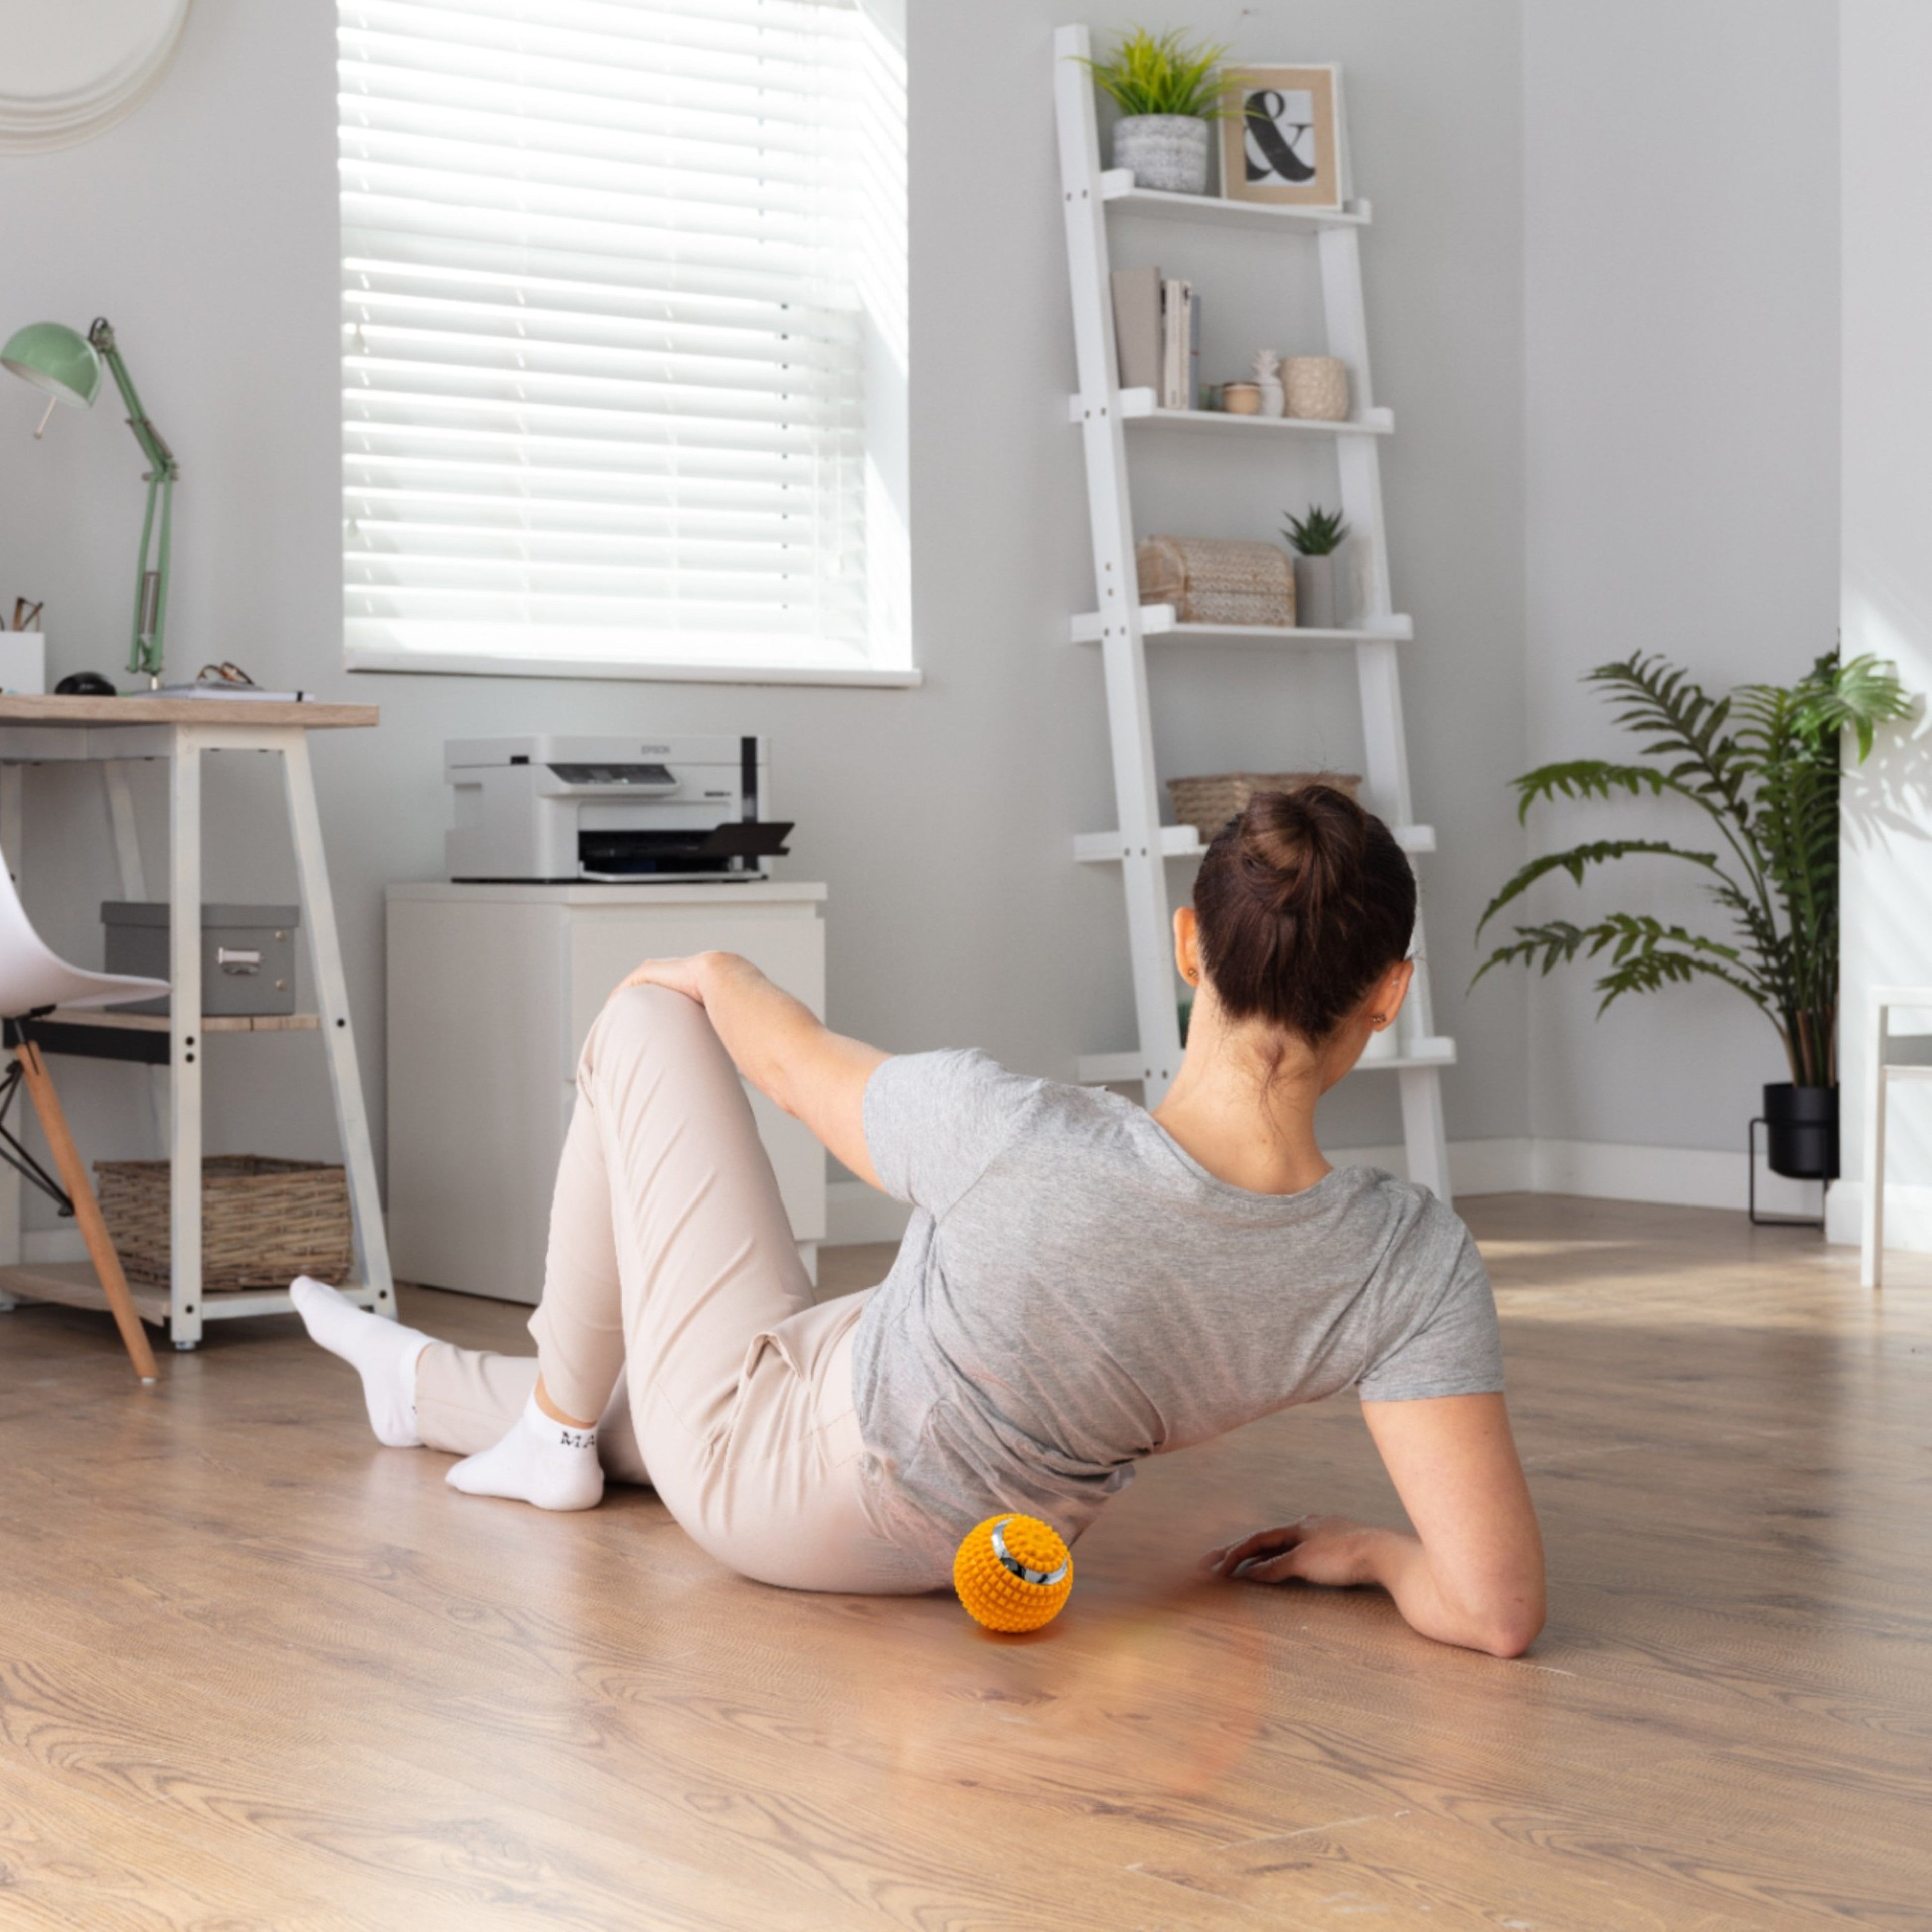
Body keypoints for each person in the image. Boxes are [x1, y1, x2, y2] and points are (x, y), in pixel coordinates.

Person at [295, 785, 1545, 1657]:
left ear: (1187, 947)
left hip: (781, 1481)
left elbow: (783, 1063)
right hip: (981, 1535)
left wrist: (717, 969)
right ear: (1388, 995)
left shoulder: (1017, 1137)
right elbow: (1496, 1611)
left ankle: (556, 1434)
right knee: (791, 1338)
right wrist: (1370, 1557)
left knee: (640, 1024)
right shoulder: (1408, 1260)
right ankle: (417, 1388)